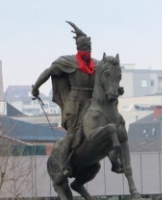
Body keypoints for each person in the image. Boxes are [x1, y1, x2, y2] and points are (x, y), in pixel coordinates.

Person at [30, 22, 111, 184]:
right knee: (73, 133)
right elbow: (49, 72)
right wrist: (36, 88)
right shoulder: (68, 62)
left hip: (92, 102)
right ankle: (64, 164)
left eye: (89, 47)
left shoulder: (97, 64)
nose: (87, 50)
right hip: (74, 104)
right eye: (84, 47)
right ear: (79, 48)